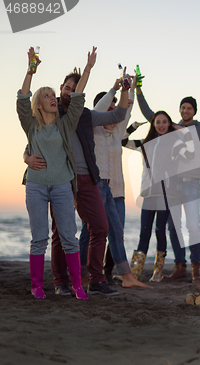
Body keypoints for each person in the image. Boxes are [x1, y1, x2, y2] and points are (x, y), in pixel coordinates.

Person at [25, 67, 128, 297]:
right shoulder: (52, 114)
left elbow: (117, 116)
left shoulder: (85, 114)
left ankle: (96, 279)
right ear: (61, 88)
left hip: (88, 178)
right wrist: (26, 157)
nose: (70, 92)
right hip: (63, 178)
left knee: (100, 227)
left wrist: (124, 90)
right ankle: (60, 282)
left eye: (75, 89)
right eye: (67, 88)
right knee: (60, 233)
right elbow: (33, 142)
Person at [18, 46, 94, 300]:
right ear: (39, 104)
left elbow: (79, 97)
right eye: (48, 95)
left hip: (62, 186)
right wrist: (30, 70)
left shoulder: (65, 123)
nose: (53, 98)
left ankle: (76, 286)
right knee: (39, 239)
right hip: (36, 186)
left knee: (69, 239)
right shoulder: (31, 125)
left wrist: (87, 69)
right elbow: (22, 98)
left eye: (54, 95)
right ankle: (37, 286)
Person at [136, 81, 200, 282]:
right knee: (173, 227)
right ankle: (180, 266)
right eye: (183, 107)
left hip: (192, 185)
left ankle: (196, 269)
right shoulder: (170, 128)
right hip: (171, 186)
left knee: (193, 226)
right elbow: (150, 114)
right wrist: (139, 91)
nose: (185, 110)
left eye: (189, 108)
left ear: (194, 111)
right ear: (180, 109)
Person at [86, 78, 151, 289]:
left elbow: (126, 112)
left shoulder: (117, 133)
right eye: (109, 108)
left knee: (116, 233)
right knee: (90, 233)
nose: (113, 112)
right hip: (96, 189)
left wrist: (130, 90)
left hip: (117, 192)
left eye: (114, 109)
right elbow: (99, 109)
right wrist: (113, 92)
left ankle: (120, 274)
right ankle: (82, 273)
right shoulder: (93, 132)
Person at [123, 109, 194, 281]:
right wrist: (132, 126)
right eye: (158, 122)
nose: (161, 125)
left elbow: (191, 153)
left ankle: (157, 273)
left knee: (160, 231)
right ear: (153, 125)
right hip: (148, 193)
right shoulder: (145, 143)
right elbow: (122, 140)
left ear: (169, 124)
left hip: (166, 195)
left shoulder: (176, 143)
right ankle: (135, 272)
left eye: (164, 122)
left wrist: (184, 131)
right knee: (144, 233)